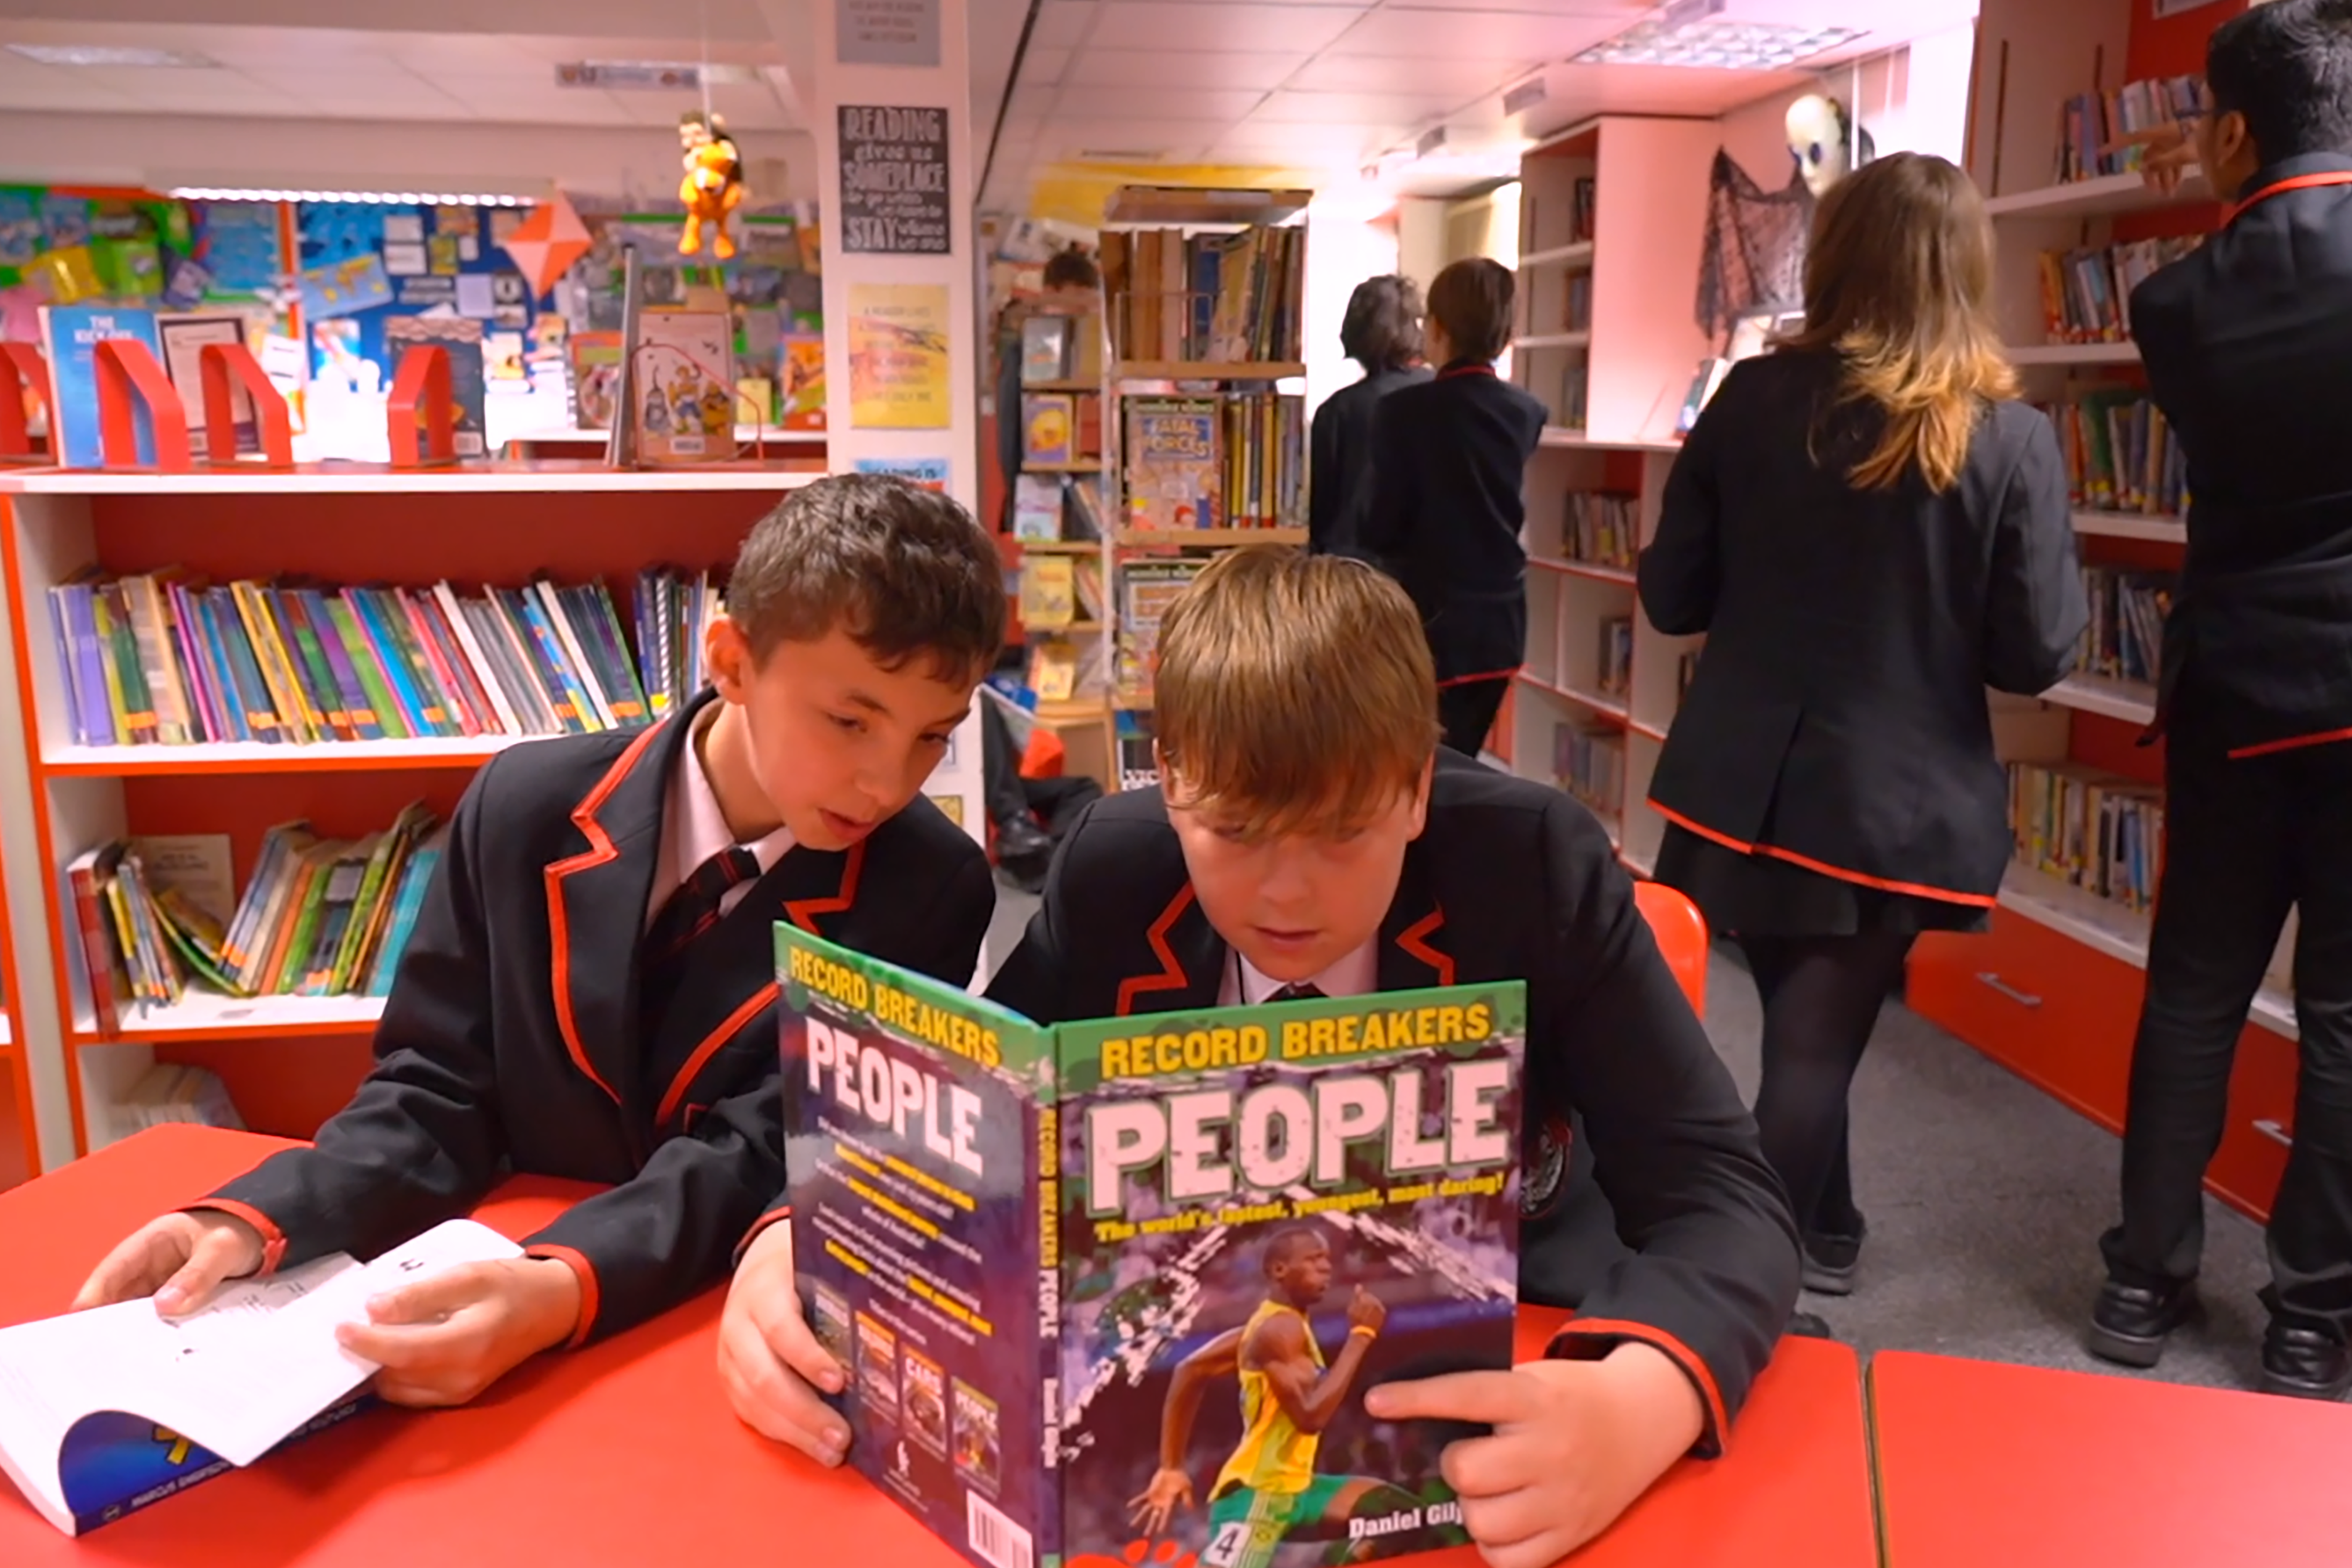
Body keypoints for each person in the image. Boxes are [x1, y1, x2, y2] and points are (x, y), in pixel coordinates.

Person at [73, 474, 1004, 1408]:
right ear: (732, 661)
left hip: (715, 1333)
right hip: (484, 1290)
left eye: (933, 736)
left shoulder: (933, 886)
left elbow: (776, 1147)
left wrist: (563, 1284)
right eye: (850, 721)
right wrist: (260, 1221)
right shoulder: (524, 807)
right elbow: (435, 1091)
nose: (889, 781)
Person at [975, 547, 1799, 1565]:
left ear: (1413, 791)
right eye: (1234, 831)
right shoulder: (1110, 867)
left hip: (1508, 1363)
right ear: (1172, 779)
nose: (1284, 895)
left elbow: (1720, 1191)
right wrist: (803, 1231)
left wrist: (1639, 1398)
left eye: (1338, 835)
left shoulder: (1529, 864)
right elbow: (979, 1125)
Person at [1639, 152, 2086, 1306]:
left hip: (1742, 785)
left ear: (1832, 257)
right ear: (1964, 272)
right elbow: (2035, 654)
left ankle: (1822, 1224)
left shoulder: (1749, 399)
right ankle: (1731, 1288)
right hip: (1890, 799)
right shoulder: (2009, 438)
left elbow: (1674, 598)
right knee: (1811, 1046)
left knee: (1798, 1022)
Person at [2087, 0, 2352, 1401]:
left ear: (2235, 130)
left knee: (2192, 984)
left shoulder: (2172, 300)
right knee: (2348, 1016)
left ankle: (2144, 1274)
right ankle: (2311, 1320)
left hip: (2237, 679)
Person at [1130, 1227, 1420, 1568]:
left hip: (1298, 1488)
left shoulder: (1271, 1328)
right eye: (1314, 1260)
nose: (1327, 1267)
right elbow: (1310, 1419)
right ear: (1280, 1270)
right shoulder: (1277, 1331)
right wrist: (1360, 1335)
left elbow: (1190, 1370)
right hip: (1259, 1494)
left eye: (1327, 1259)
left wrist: (1172, 1466)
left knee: (1401, 1515)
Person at [1357, 258, 1548, 759]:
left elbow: (1381, 526)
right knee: (1462, 759)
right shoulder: (1528, 412)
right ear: (1506, 334)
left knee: (1410, 763)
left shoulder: (1401, 413)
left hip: (1428, 624)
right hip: (1502, 625)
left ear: (1436, 328)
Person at [1308, 275, 1430, 559]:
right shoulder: (1446, 397)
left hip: (1352, 570)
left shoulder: (1337, 412)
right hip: (1428, 573)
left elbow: (1323, 516)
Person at [996, 244, 1102, 532]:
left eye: (1090, 301)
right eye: (1078, 297)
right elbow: (1010, 430)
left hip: (1091, 491)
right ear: (1051, 292)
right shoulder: (1021, 351)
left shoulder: (1098, 352)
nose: (1085, 310)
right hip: (1041, 492)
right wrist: (1017, 492)